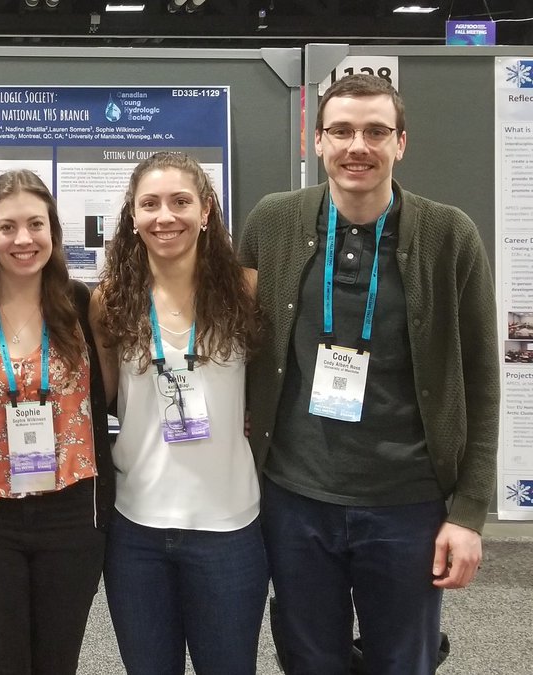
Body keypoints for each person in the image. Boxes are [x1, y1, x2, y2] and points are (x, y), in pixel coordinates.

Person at [239, 73, 497, 673]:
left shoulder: (448, 235)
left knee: (403, 661)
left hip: (406, 503)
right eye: (342, 130)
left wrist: (468, 514)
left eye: (376, 131)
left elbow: (482, 382)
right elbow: (242, 345)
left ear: (400, 142)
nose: (358, 145)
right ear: (318, 140)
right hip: (296, 496)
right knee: (308, 659)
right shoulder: (272, 222)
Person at [91, 152, 267, 674]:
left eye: (180, 202)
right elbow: (104, 399)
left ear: (206, 210)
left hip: (228, 527)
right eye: (150, 204)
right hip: (136, 528)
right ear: (133, 215)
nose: (165, 216)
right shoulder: (110, 302)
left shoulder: (246, 290)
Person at [0, 169, 114, 675]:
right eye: (8, 227)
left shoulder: (85, 306)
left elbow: (114, 395)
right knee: (1, 660)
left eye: (35, 225)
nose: (23, 239)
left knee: (57, 659)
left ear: (53, 232)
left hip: (72, 512)